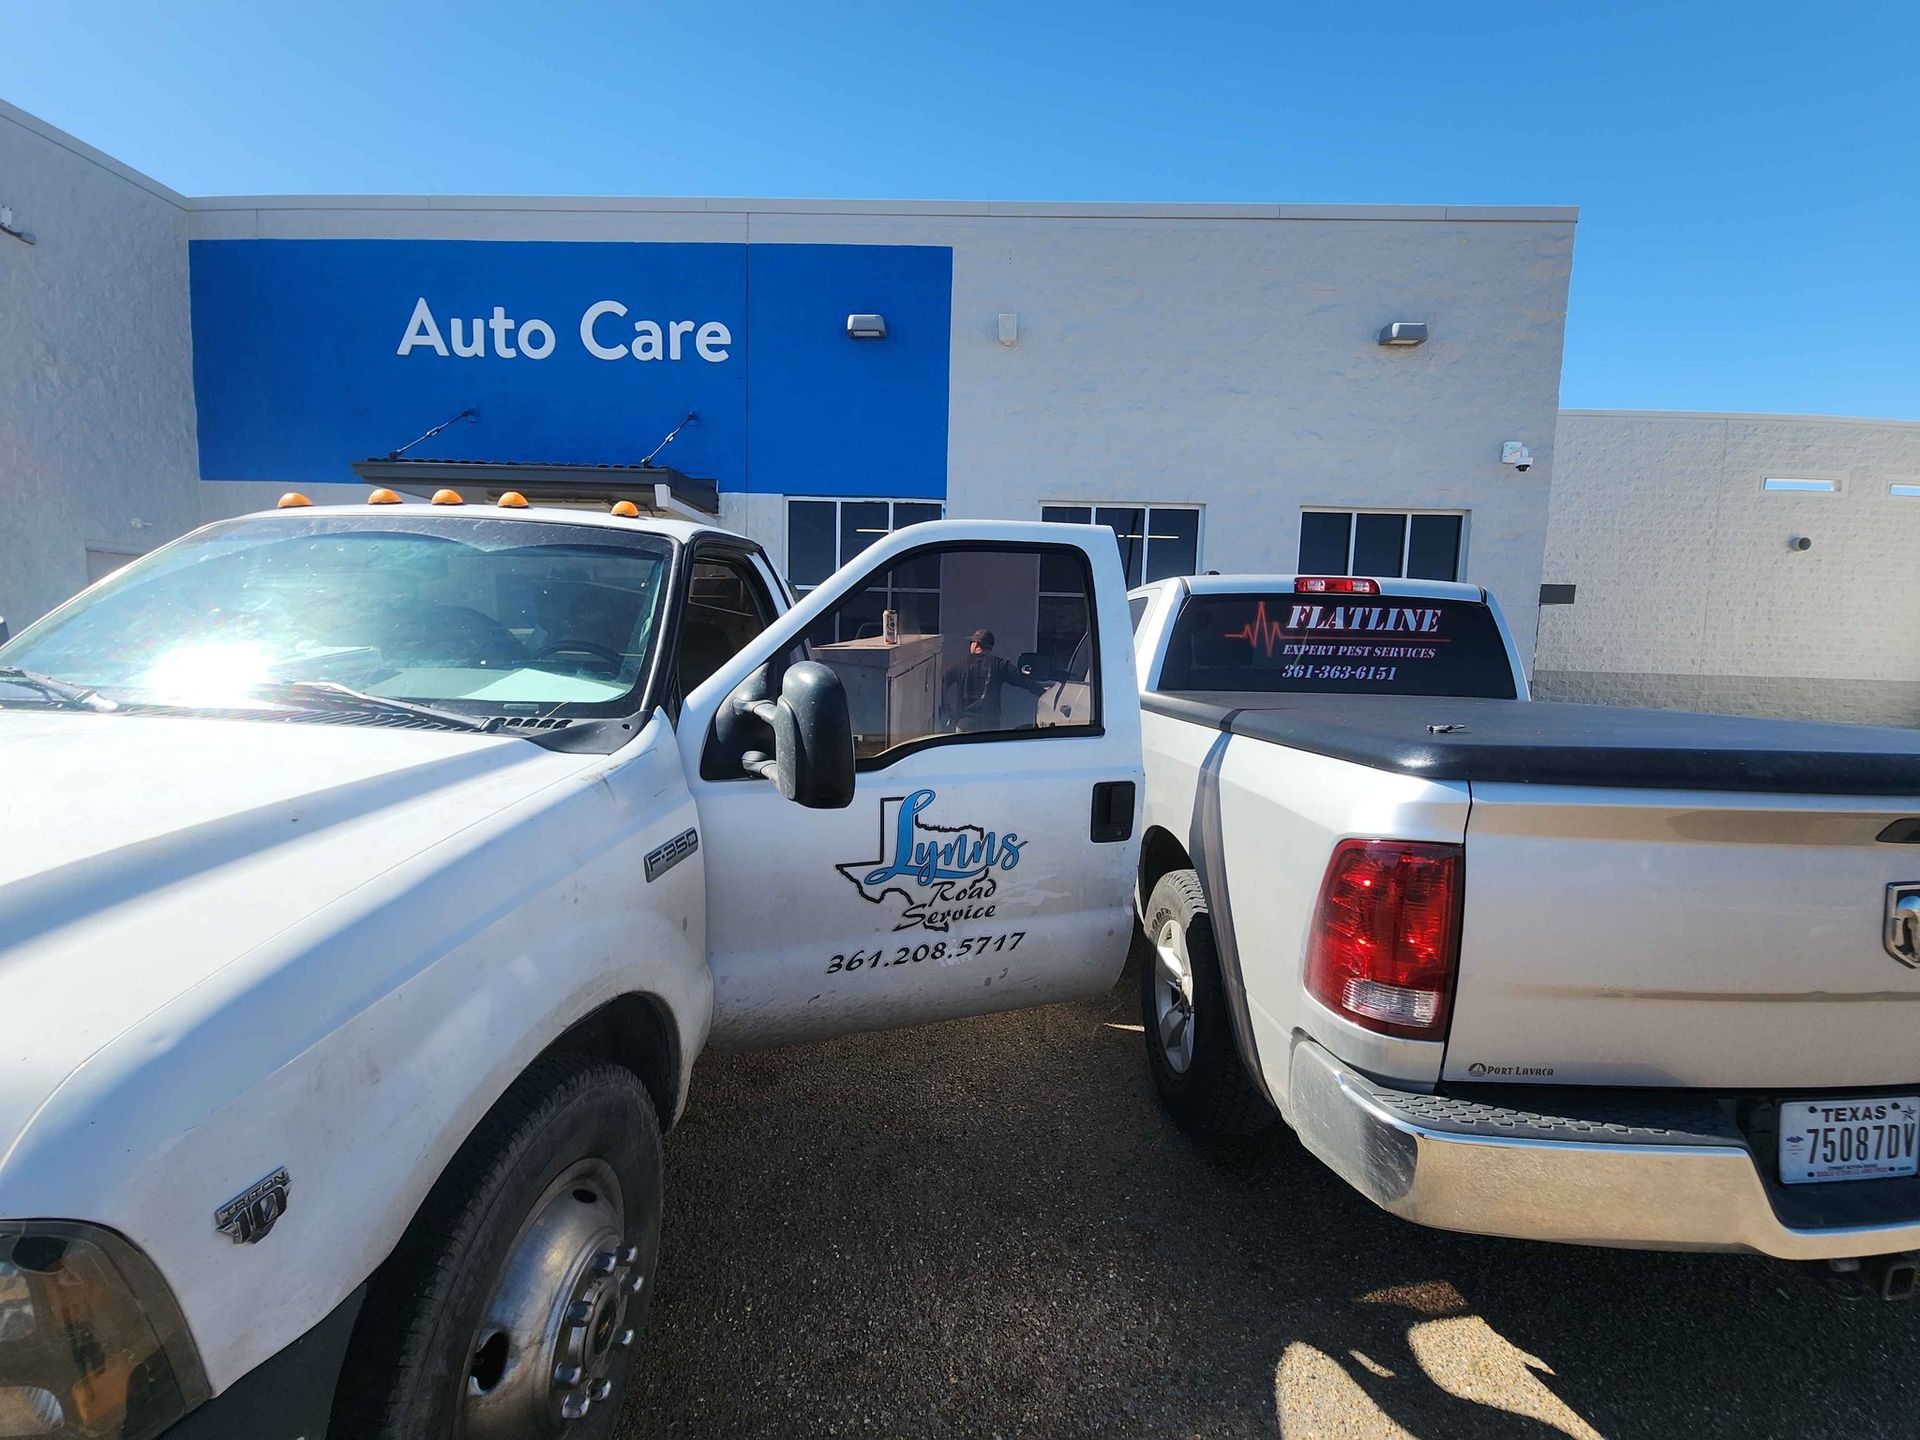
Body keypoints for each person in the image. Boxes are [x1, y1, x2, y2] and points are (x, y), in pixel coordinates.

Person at [940, 628, 1048, 732]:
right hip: (990, 726)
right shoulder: (998, 664)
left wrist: (947, 709)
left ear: (976, 643)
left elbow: (941, 683)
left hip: (965, 724)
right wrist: (1044, 693)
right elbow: (1024, 680)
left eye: (971, 642)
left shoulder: (961, 664)